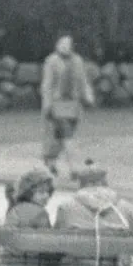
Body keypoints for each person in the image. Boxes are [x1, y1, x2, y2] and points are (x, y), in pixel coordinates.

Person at [40, 34, 96, 179]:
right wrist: (47, 105)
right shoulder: (51, 61)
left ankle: (49, 162)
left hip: (73, 104)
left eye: (68, 44)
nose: (65, 47)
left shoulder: (77, 60)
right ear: (57, 45)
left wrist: (88, 97)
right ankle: (74, 169)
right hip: (57, 104)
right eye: (62, 44)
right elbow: (47, 84)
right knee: (67, 134)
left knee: (60, 137)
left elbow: (82, 81)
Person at [52, 160, 133, 234]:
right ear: (105, 183)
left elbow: (57, 234)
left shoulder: (65, 207)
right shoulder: (125, 207)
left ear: (81, 184)